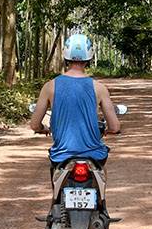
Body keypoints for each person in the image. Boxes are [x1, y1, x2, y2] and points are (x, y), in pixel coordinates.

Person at [29, 33, 121, 176]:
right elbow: (115, 127)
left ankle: (57, 198)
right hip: (94, 155)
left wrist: (42, 128)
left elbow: (34, 124)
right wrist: (108, 130)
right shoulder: (99, 88)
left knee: (56, 180)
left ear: (66, 55)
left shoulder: (50, 87)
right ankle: (100, 198)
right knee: (102, 173)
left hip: (61, 156)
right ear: (89, 57)